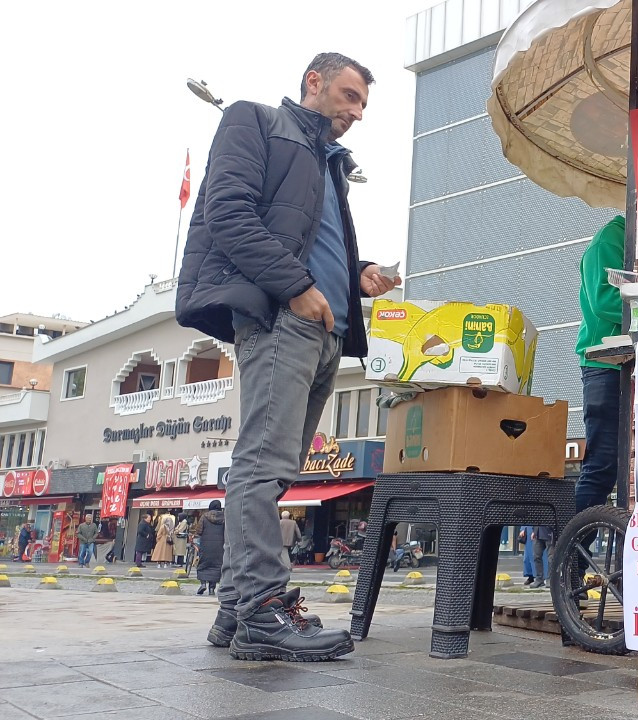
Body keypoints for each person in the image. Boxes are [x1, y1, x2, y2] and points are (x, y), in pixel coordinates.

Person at [176, 52, 398, 662]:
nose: (356, 113)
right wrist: (298, 290)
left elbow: (303, 237)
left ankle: (234, 610)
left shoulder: (329, 165)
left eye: (362, 104)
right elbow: (227, 214)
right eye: (349, 96)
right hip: (280, 319)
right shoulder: (253, 121)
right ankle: (263, 611)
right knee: (262, 466)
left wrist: (356, 275)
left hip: (326, 332)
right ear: (314, 82)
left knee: (274, 472)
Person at [575, 216, 625, 511]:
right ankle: (572, 554)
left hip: (629, 364)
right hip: (605, 365)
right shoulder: (609, 239)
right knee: (603, 463)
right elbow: (603, 300)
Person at [196, 500, 225, 597]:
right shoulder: (224, 517)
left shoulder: (204, 516)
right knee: (216, 566)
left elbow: (199, 530)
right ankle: (212, 589)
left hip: (206, 544)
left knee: (203, 563)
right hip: (220, 545)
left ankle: (203, 584)